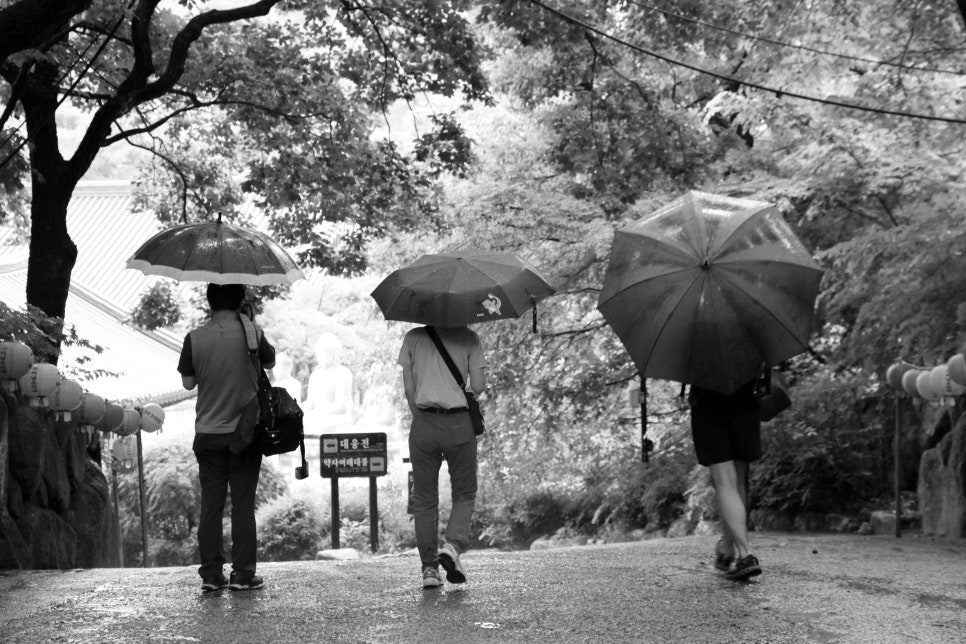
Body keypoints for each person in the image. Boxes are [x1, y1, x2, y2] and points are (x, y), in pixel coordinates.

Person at [177, 283, 276, 592]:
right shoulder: (252, 334)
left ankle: (211, 575)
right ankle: (244, 574)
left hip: (208, 435)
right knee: (243, 505)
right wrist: (249, 322)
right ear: (240, 300)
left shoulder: (195, 338)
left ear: (210, 301)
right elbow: (270, 363)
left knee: (212, 505)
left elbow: (188, 383)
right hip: (245, 434)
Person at [398, 324, 485, 590]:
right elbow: (478, 386)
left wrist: (422, 417)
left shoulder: (413, 338)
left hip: (423, 424)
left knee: (424, 499)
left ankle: (429, 571)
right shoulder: (469, 337)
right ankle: (452, 546)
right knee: (464, 493)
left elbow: (409, 389)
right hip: (458, 424)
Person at [687, 374, 764, 581]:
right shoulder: (752, 341)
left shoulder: (696, 342)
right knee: (739, 481)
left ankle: (745, 554)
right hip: (745, 398)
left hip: (708, 401)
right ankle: (728, 547)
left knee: (725, 483)